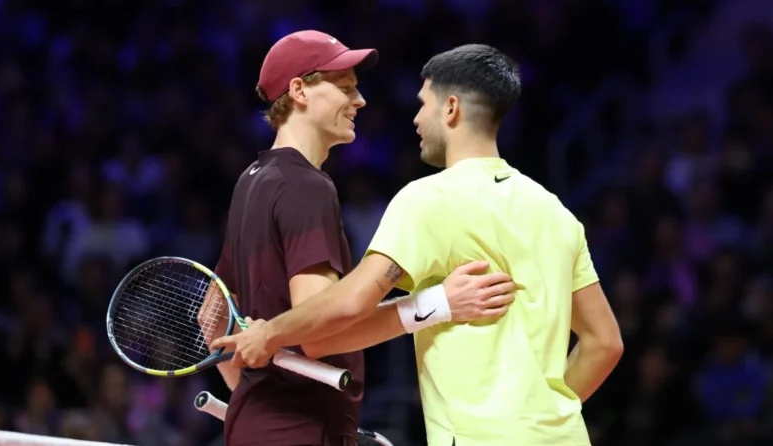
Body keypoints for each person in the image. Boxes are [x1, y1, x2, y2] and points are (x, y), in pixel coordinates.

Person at [212, 43, 625, 445]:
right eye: (345, 87)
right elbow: (605, 343)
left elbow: (335, 317)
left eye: (423, 103)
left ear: (451, 109)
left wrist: (269, 338)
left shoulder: (426, 199)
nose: (414, 118)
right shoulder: (557, 213)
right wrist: (537, 417)